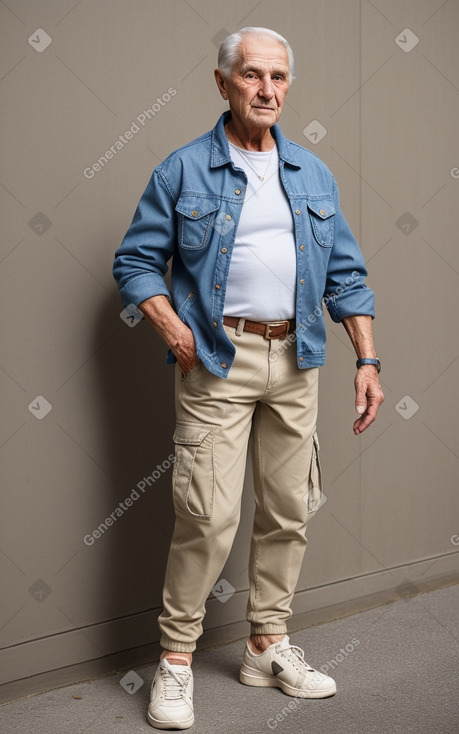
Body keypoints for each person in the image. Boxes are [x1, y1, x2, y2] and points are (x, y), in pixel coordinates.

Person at [113, 26, 384, 730]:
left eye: (279, 78)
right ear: (222, 82)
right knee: (208, 514)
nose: (267, 90)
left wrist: (367, 359)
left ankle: (265, 645)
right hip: (216, 357)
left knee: (289, 508)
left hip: (298, 361)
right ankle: (174, 662)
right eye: (252, 76)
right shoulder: (183, 170)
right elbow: (136, 262)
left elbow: (347, 276)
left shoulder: (312, 173)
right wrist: (173, 330)